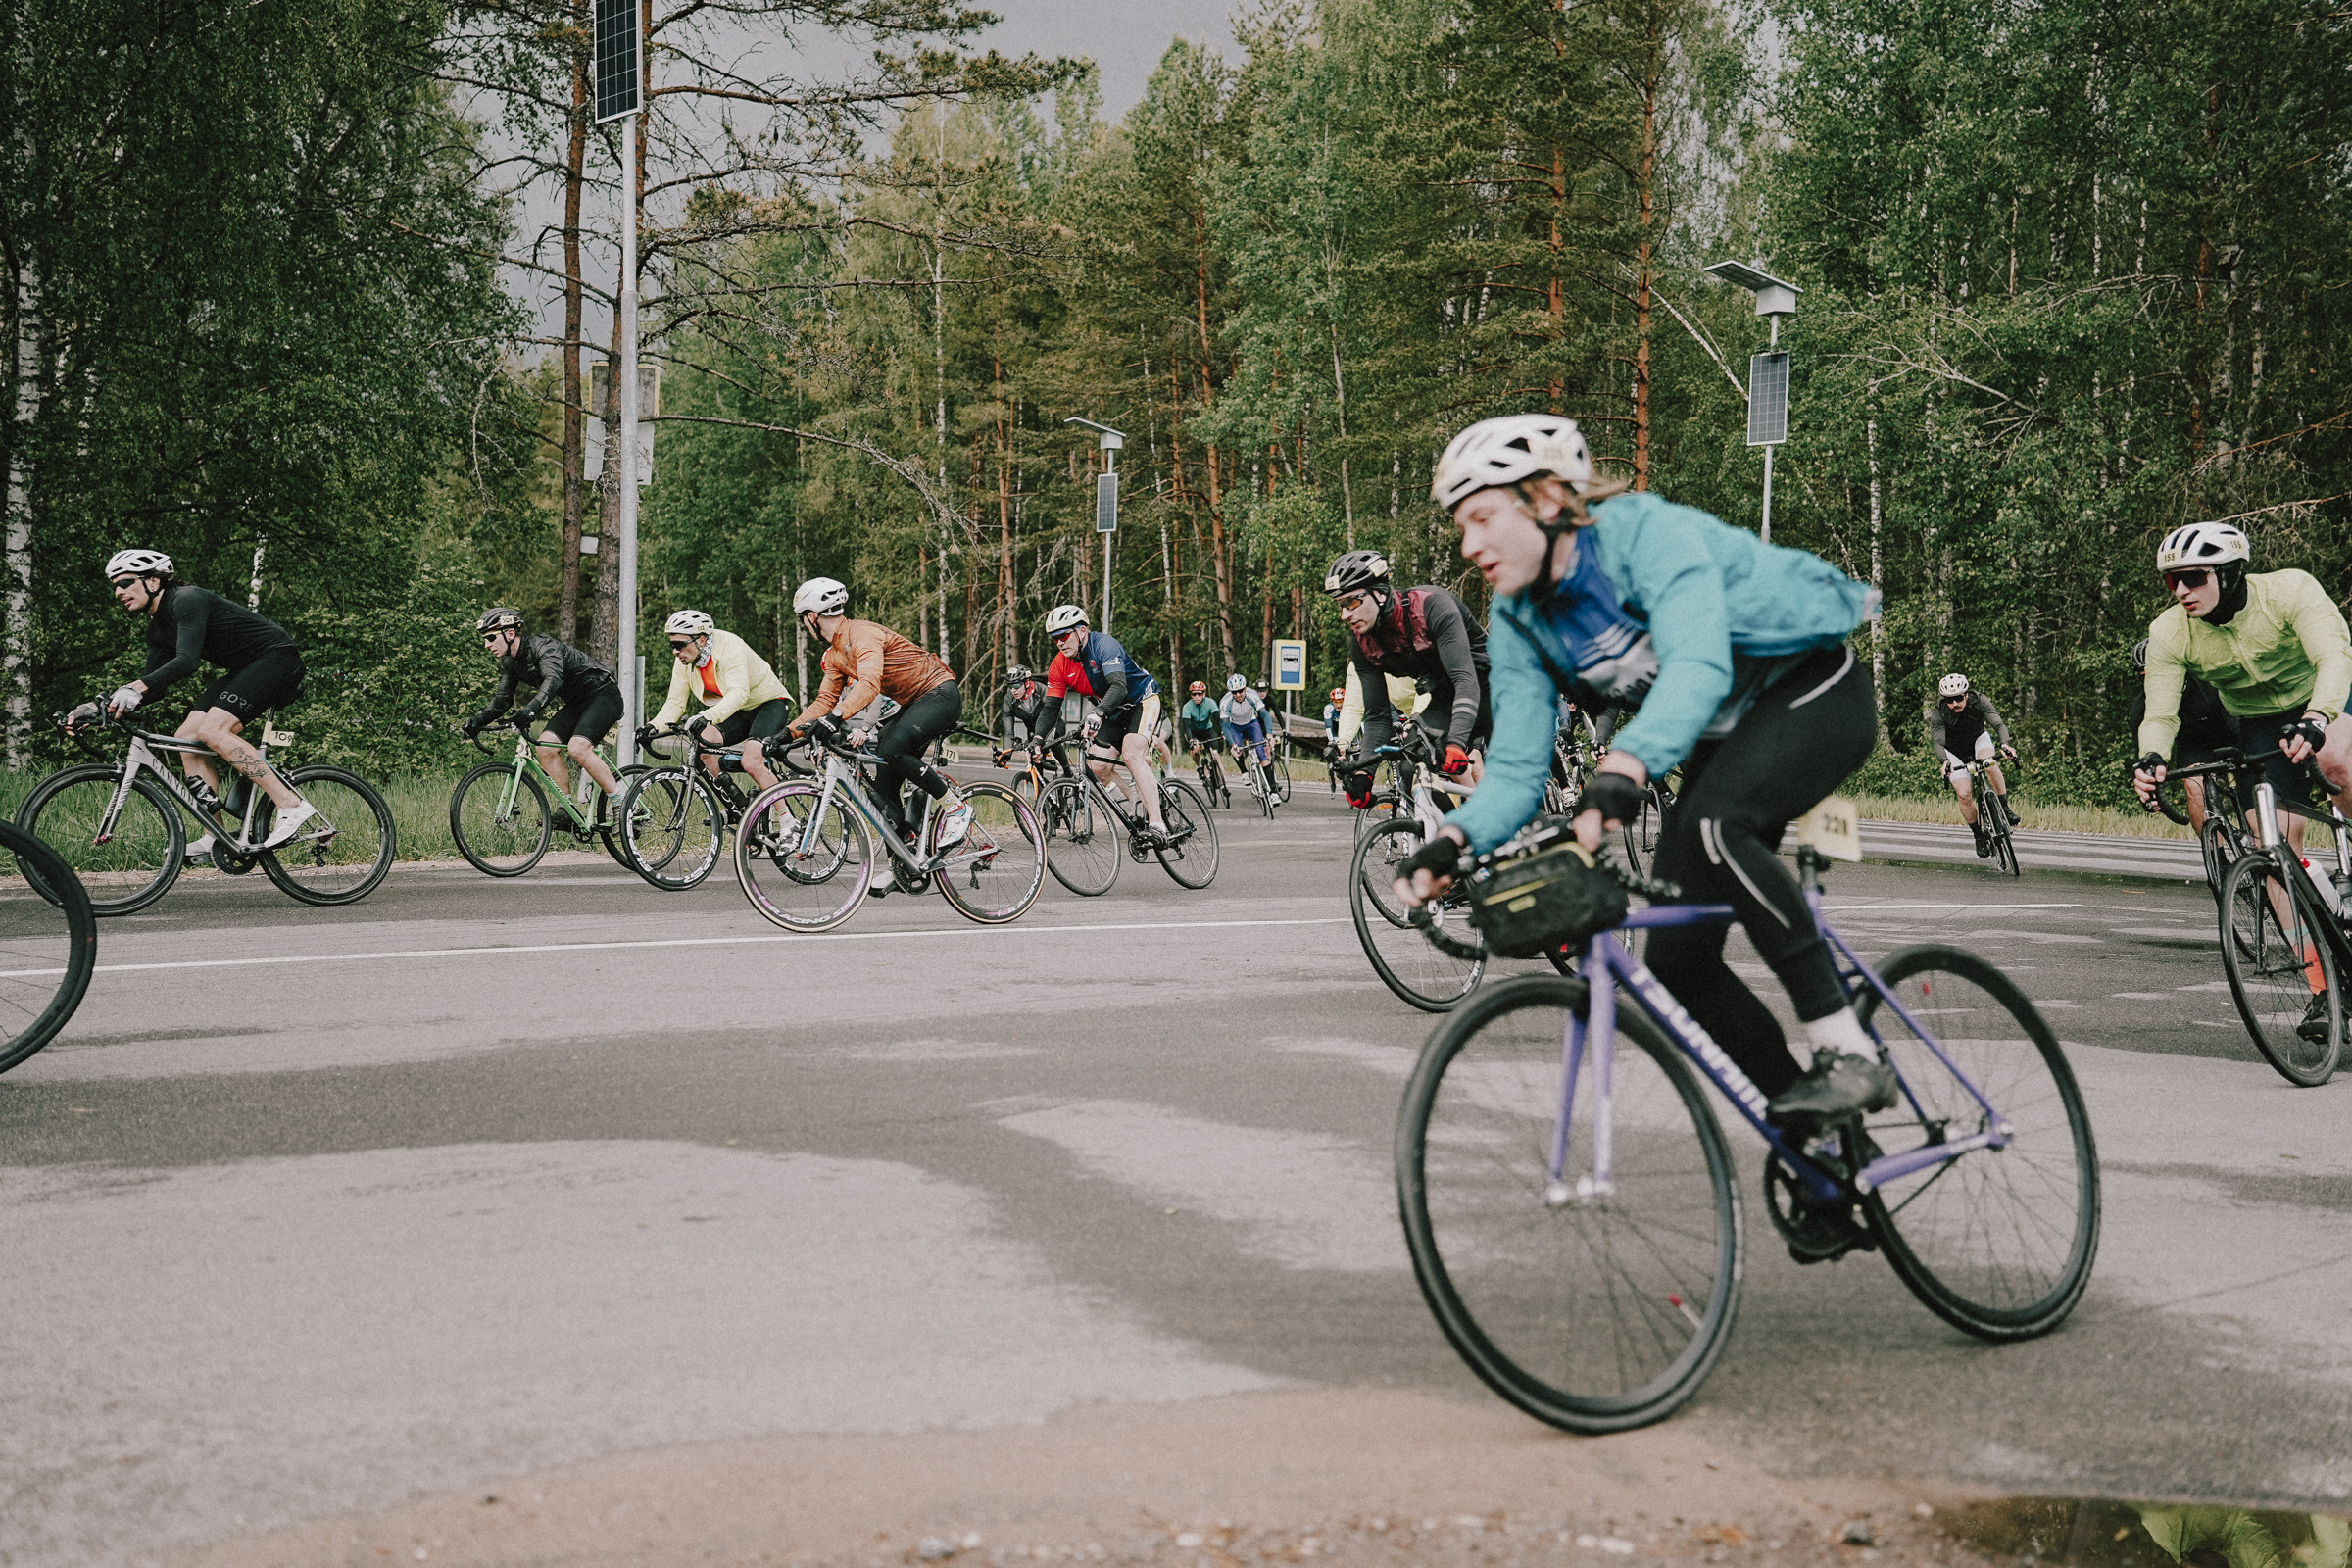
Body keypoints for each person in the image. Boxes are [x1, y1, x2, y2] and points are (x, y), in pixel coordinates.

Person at [1391, 413, 1887, 1137]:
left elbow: (1698, 663)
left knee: (1721, 826)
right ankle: (1825, 1154)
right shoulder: (1520, 617)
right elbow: (1522, 769)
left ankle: (1847, 1051)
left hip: (1813, 688)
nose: (1470, 547)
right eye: (1461, 527)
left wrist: (1624, 766)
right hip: (1724, 733)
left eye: (1482, 518)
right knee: (1678, 966)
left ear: (1549, 499)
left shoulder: (1647, 537)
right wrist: (1453, 843)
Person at [2131, 521, 2352, 1041]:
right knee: (2272, 852)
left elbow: (2333, 656)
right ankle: (2328, 989)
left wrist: (2319, 718)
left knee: (2339, 761)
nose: (2181, 591)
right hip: (2259, 723)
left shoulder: (2289, 591)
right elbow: (2159, 713)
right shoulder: (2169, 632)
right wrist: (2151, 759)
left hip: (2329, 696)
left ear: (2229, 574)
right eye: (2171, 581)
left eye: (2192, 577)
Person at [87, 549, 315, 858]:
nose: (118, 591)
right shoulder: (158, 629)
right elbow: (152, 687)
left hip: (276, 658)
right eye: (115, 585)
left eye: (126, 582)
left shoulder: (186, 599)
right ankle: (215, 834)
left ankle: (292, 805)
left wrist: (135, 687)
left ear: (154, 581)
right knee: (186, 737)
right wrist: (95, 708)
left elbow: (187, 661)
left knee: (212, 730)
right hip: (245, 668)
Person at [786, 577, 972, 855]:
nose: (804, 624)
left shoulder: (862, 634)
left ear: (812, 617)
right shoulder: (835, 654)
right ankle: (903, 858)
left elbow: (870, 683)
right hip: (914, 702)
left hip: (940, 693)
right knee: (883, 784)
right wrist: (788, 733)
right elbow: (824, 700)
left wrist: (837, 715)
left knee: (891, 747)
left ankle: (956, 807)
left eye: (803, 619)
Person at [1325, 549, 1491, 789]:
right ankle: (1451, 826)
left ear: (1380, 594)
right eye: (1340, 605)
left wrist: (1455, 742)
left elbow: (1465, 679)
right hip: (1445, 699)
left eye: (1351, 601)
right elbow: (1378, 716)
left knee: (1507, 787)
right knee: (1409, 766)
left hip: (1491, 688)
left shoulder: (1431, 607)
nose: (1345, 614)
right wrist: (1364, 775)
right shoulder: (1362, 642)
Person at [1031, 603, 1169, 845]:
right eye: (1055, 639)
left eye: (1064, 635)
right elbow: (1051, 707)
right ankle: (1139, 808)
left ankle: (1159, 825)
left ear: (1082, 631)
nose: (1060, 643)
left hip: (1141, 700)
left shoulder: (1104, 645)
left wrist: (1097, 713)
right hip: (1112, 712)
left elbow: (1118, 686)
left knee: (1132, 753)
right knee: (1097, 767)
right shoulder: (1059, 665)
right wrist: (1038, 739)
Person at [466, 607, 625, 808]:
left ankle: (622, 804)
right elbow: (502, 700)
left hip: (603, 694)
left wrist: (530, 710)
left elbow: (553, 680)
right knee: (545, 747)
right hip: (577, 702)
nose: (486, 645)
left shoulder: (544, 647)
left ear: (510, 633)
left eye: (490, 638)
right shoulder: (510, 663)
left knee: (577, 748)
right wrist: (479, 721)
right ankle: (567, 809)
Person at [647, 610, 792, 793]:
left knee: (751, 761)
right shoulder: (685, 659)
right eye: (672, 645)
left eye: (680, 644)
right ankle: (734, 803)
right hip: (740, 709)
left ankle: (787, 819)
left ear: (701, 639)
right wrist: (653, 727)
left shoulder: (730, 647)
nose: (676, 651)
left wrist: (707, 716)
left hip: (770, 703)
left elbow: (739, 692)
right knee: (703, 746)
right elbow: (676, 702)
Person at [2125, 638, 2234, 836]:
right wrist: (2149, 793)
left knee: (2254, 787)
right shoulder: (2141, 709)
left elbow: (2237, 723)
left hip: (2231, 731)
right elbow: (2142, 757)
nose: (2156, 684)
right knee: (2194, 786)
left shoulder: (2207, 683)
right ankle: (2218, 858)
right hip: (2196, 745)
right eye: (2146, 678)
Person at [1927, 673, 2019, 858]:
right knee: (1964, 794)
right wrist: (1944, 761)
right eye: (1950, 700)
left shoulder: (1979, 700)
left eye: (1959, 698)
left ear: (1966, 695)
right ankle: (1978, 835)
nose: (1955, 704)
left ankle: (2005, 807)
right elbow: (1938, 741)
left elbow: (1998, 723)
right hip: (1953, 752)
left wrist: (2005, 744)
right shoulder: (1939, 712)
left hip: (1978, 740)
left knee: (1990, 764)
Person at [1219, 674, 1274, 776]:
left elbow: (1265, 715)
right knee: (1237, 750)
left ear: (1245, 689)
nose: (1238, 694)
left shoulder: (1252, 695)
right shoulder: (1225, 702)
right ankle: (1244, 772)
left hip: (1251, 724)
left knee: (1261, 752)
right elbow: (1225, 726)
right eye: (1234, 692)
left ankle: (1272, 790)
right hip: (1235, 726)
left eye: (1240, 691)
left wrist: (1269, 734)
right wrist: (1232, 744)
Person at [1179, 680, 1223, 765]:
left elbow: (1217, 719)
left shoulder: (1210, 703)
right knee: (1194, 749)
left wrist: (1223, 731)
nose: (1196, 697)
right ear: (1191, 695)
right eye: (1194, 694)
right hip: (1194, 732)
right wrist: (1191, 739)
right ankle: (1198, 766)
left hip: (1207, 730)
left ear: (1204, 694)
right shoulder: (1187, 707)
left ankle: (1222, 777)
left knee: (1215, 753)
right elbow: (1186, 726)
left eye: (1199, 694)